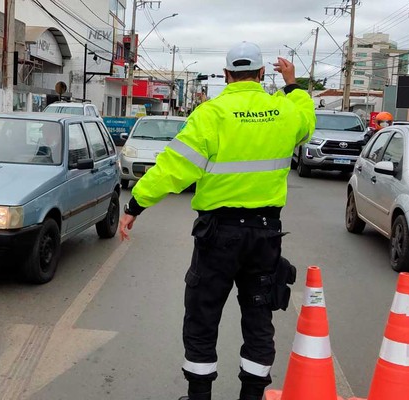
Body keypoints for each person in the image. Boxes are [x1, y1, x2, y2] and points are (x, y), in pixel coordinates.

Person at [119, 41, 316, 400]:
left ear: (226, 76)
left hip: (218, 235)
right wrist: (291, 85)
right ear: (261, 74)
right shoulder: (284, 111)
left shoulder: (211, 114)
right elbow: (306, 124)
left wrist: (135, 205)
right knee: (259, 318)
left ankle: (199, 397)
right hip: (265, 233)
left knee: (203, 313)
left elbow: (172, 169)